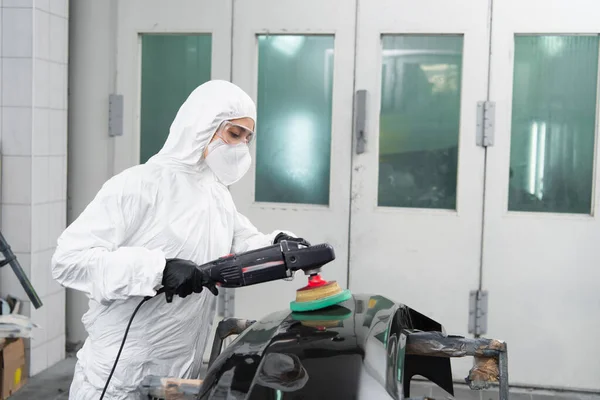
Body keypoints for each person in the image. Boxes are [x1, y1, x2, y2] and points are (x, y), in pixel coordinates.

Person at [51, 80, 306, 399]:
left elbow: (241, 241)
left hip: (177, 377)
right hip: (119, 377)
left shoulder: (215, 193)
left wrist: (278, 244)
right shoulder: (138, 186)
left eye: (247, 138)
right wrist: (157, 271)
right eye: (234, 134)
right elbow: (68, 261)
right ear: (202, 125)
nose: (240, 147)